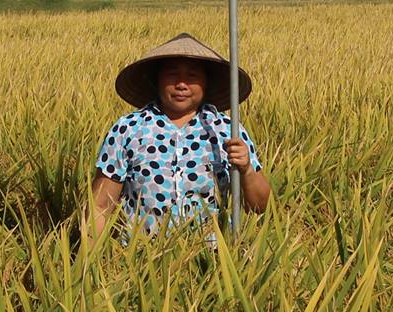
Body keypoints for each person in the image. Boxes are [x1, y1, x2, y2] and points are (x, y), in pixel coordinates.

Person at [88, 33, 269, 237]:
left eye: (192, 76)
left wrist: (246, 170)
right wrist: (87, 264)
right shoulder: (128, 128)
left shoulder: (226, 129)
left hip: (213, 260)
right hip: (141, 260)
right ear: (157, 80)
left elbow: (260, 207)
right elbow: (100, 206)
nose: (181, 84)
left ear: (206, 82)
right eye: (172, 74)